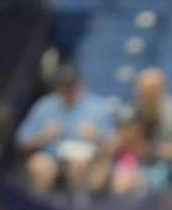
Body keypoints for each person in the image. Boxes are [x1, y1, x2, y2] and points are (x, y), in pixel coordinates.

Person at [15, 65, 115, 194]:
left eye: (72, 88)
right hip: (52, 156)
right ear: (58, 89)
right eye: (65, 89)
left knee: (79, 165)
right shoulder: (45, 105)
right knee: (41, 166)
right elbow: (21, 140)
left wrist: (97, 135)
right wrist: (43, 136)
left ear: (80, 85)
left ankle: (76, 209)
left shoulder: (98, 107)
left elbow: (113, 146)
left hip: (85, 158)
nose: (69, 93)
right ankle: (39, 209)